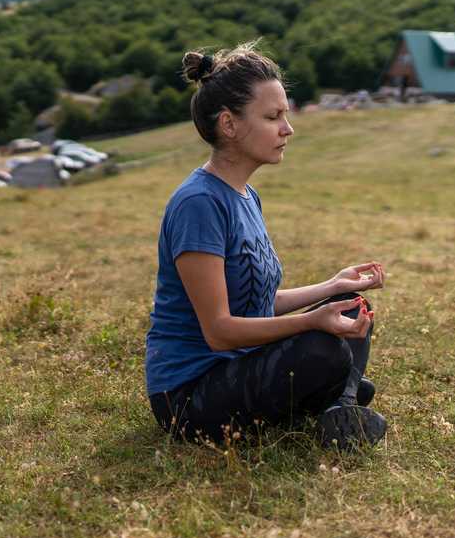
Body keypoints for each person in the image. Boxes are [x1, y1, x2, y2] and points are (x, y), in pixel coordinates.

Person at [145, 41, 388, 450]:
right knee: (324, 349)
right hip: (189, 397)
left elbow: (256, 304)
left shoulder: (246, 196)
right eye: (273, 117)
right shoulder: (198, 204)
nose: (287, 129)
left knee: (351, 305)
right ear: (229, 124)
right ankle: (336, 396)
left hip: (237, 366)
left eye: (286, 116)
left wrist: (331, 288)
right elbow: (220, 331)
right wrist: (313, 321)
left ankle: (339, 403)